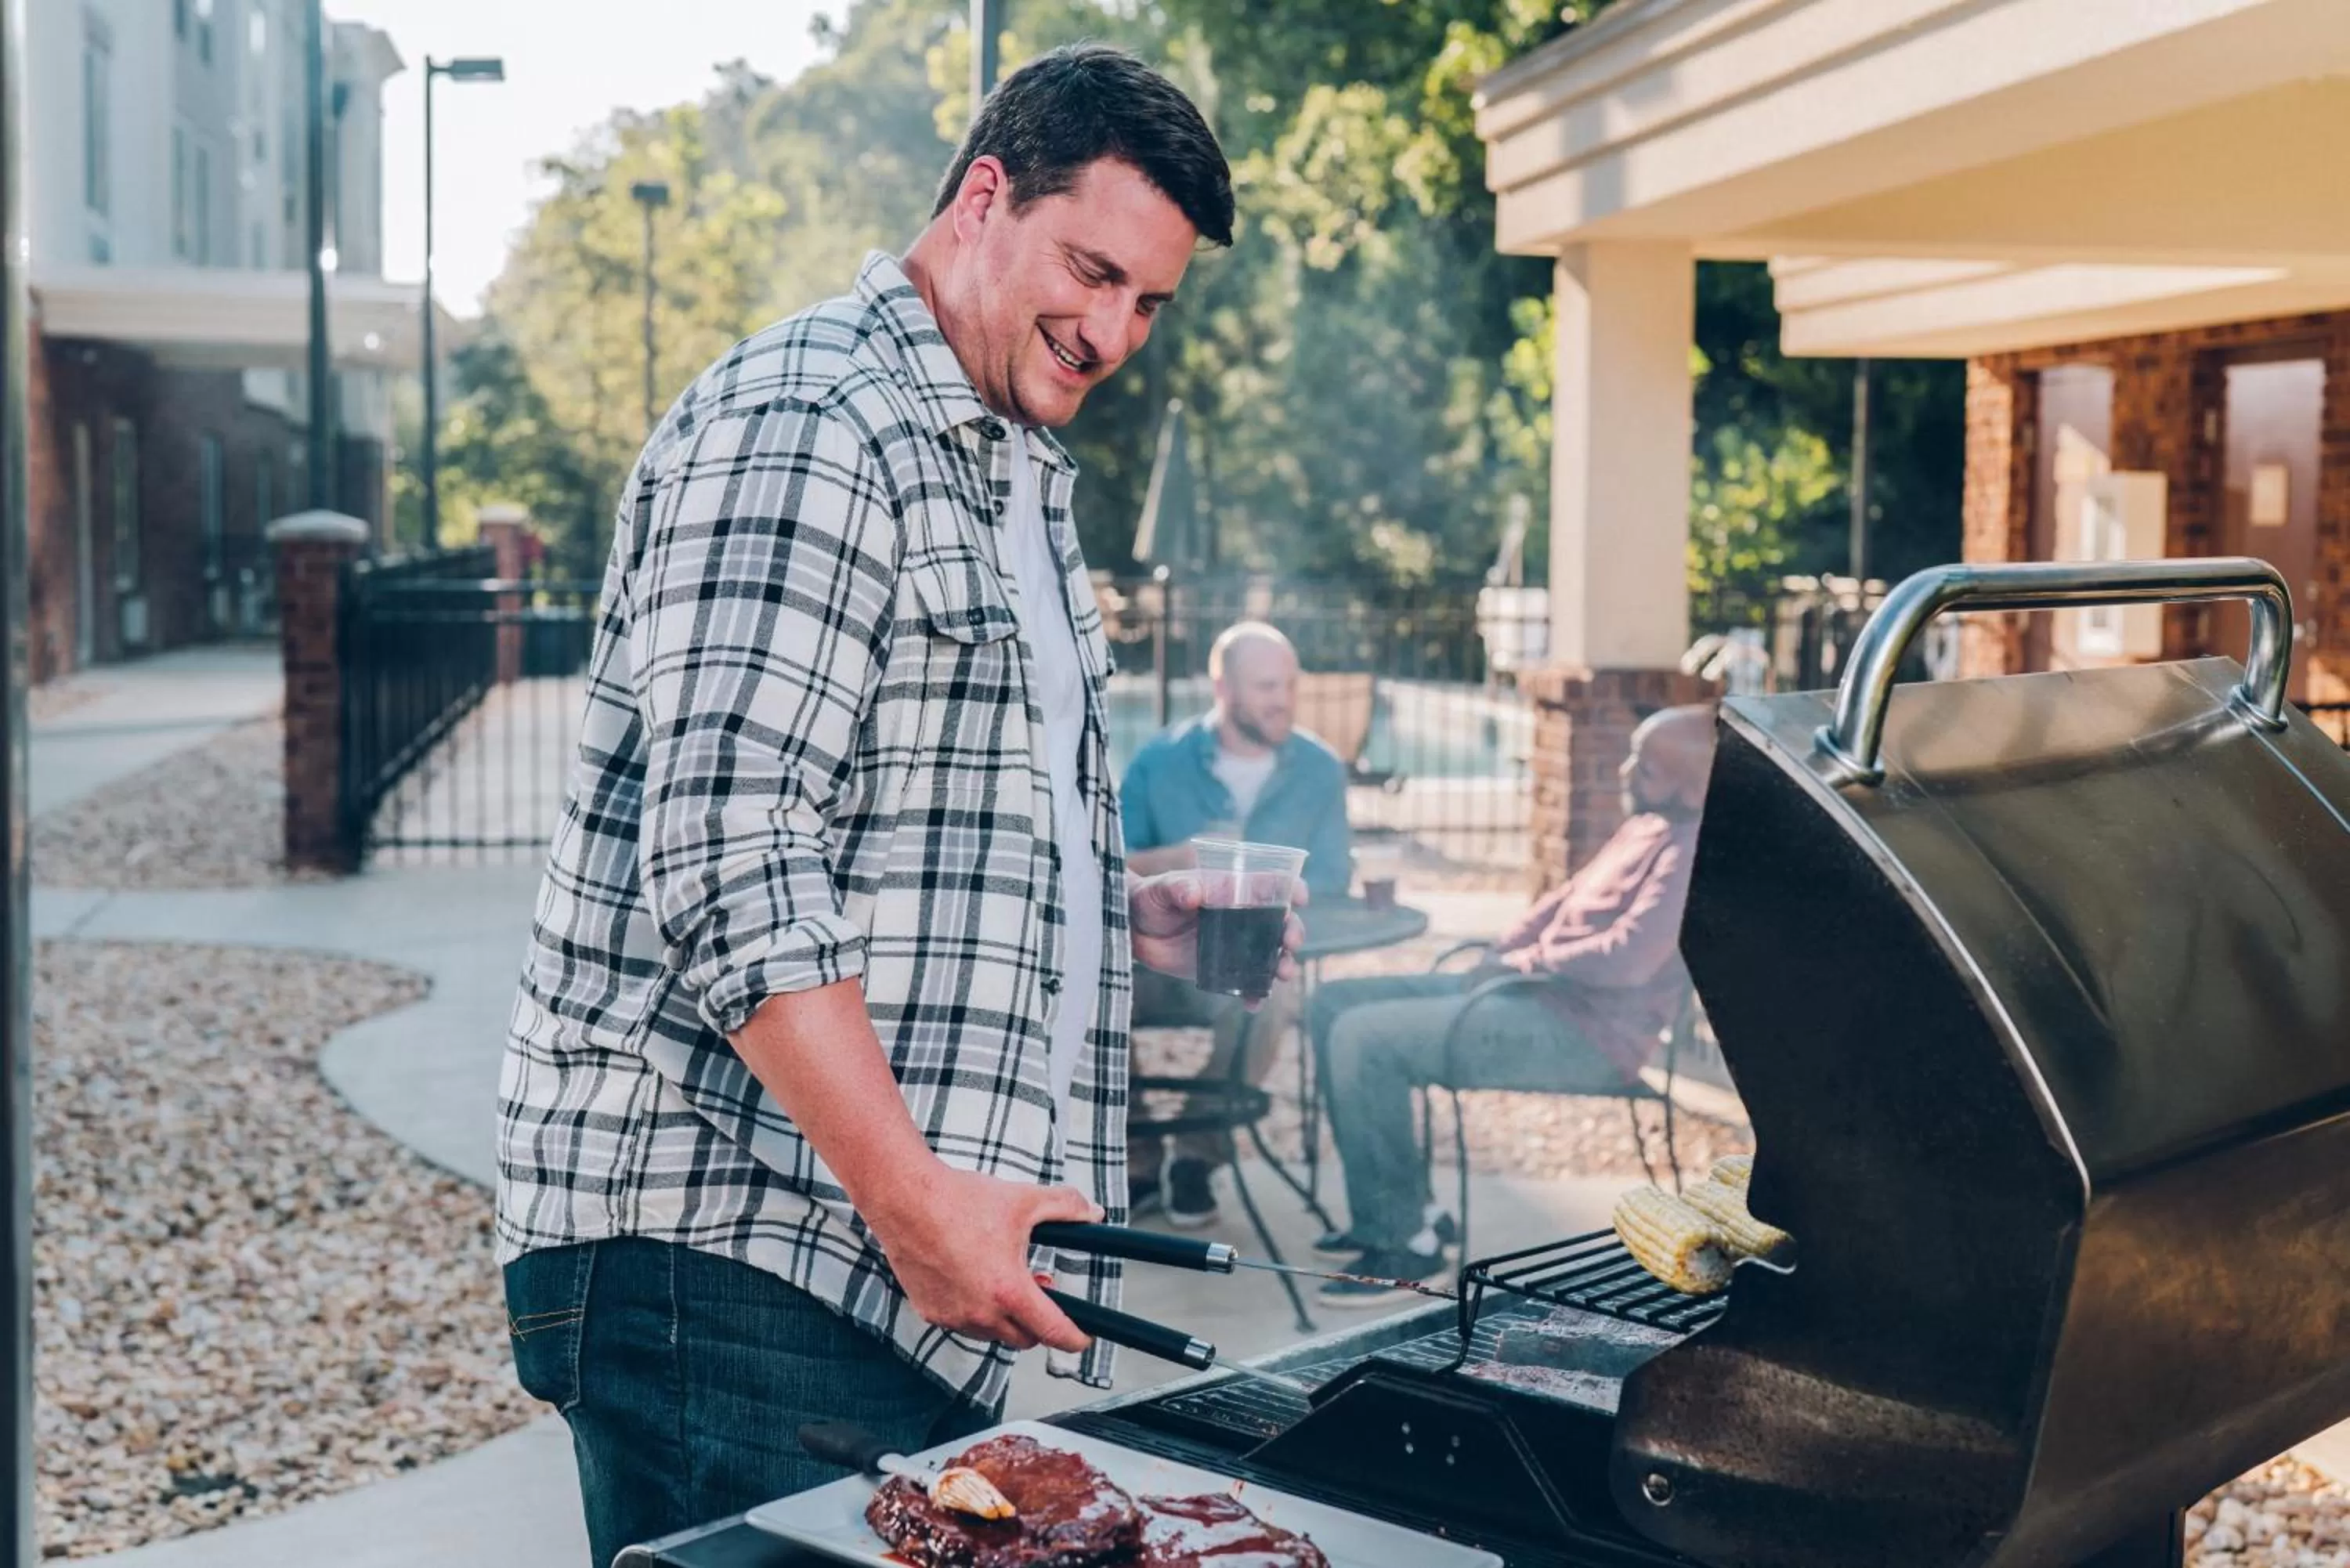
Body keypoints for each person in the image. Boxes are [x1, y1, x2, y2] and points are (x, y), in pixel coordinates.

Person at [494, 48, 1290, 1565]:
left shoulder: (1013, 473)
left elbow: (909, 842)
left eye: (1150, 304)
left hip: (857, 1273)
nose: (1115, 331)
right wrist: (916, 1203)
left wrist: (1118, 915)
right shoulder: (818, 421)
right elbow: (728, 862)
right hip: (731, 1252)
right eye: (1093, 270)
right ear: (984, 196)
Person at [1307, 706, 1717, 1306]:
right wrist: (1503, 954)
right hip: (1532, 999)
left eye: (1647, 767)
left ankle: (1404, 1246)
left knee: (1366, 1039)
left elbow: (1626, 959)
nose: (1626, 771)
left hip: (1589, 1038)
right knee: (1333, 1002)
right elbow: (1557, 904)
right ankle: (1400, 1211)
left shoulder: (1690, 851)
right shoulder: (1646, 826)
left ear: (1689, 783)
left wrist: (1523, 963)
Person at [1119, 622, 1351, 1226]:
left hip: (1241, 963)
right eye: (1267, 685)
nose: (1283, 699)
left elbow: (1329, 879)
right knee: (1092, 984)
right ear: (1222, 686)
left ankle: (1197, 1157)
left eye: (1290, 685)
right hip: (1154, 956)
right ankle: (1136, 1157)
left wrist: (1268, 888)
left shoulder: (1320, 770)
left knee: (1271, 995)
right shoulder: (1158, 762)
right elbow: (1106, 866)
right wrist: (1175, 862)